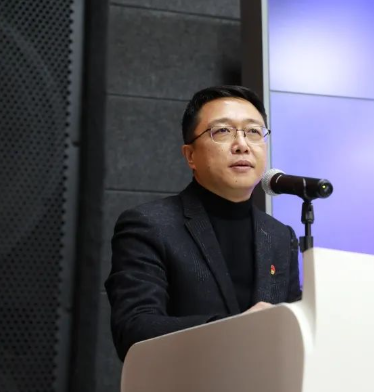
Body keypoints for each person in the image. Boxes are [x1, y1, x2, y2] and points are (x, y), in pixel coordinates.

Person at [105, 85, 301, 361]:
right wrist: (236, 329)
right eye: (223, 131)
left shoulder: (279, 236)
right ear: (190, 156)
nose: (242, 144)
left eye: (254, 132)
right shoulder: (149, 225)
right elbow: (134, 329)